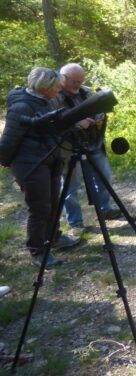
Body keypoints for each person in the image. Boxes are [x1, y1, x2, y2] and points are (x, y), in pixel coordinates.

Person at [0, 68, 80, 268]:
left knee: (53, 203)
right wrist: (6, 161)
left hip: (49, 159)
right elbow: (8, 141)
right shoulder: (21, 107)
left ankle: (54, 238)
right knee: (40, 208)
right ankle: (38, 252)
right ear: (45, 88)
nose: (60, 89)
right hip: (30, 164)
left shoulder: (45, 101)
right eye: (57, 86)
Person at [54, 63, 120, 235]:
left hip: (93, 142)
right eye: (75, 81)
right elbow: (54, 123)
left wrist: (96, 117)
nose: (78, 85)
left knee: (104, 176)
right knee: (71, 185)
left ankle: (105, 209)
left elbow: (100, 110)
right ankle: (75, 222)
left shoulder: (85, 91)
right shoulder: (54, 96)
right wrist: (77, 124)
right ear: (64, 79)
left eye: (81, 81)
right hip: (68, 148)